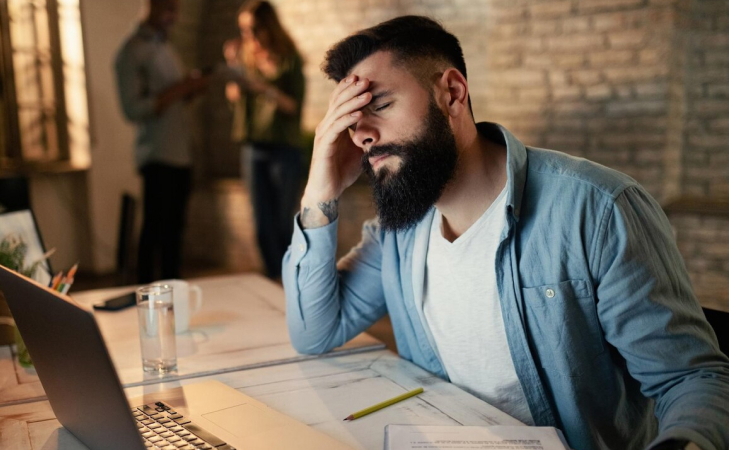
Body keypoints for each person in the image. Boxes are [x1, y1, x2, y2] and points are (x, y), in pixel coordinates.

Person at [283, 15, 729, 450]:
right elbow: (314, 332)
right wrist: (319, 190)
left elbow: (691, 379)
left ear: (452, 94)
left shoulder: (596, 209)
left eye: (378, 106)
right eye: (352, 120)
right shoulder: (398, 232)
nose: (362, 135)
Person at [115, 0, 209, 283]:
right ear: (150, 6)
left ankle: (174, 294)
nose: (174, 16)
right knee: (155, 230)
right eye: (168, 9)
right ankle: (147, 296)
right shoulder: (131, 52)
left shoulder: (164, 46)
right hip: (157, 154)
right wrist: (181, 88)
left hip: (181, 151)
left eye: (176, 10)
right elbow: (133, 109)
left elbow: (173, 99)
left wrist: (191, 90)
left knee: (175, 231)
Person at [224, 1, 305, 279]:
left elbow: (294, 106)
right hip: (253, 147)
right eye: (244, 30)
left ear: (269, 27)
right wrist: (233, 69)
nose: (249, 36)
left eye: (254, 29)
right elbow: (234, 98)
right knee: (262, 224)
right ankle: (273, 280)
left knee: (284, 222)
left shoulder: (289, 58)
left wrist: (261, 87)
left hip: (284, 149)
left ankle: (291, 280)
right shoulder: (245, 59)